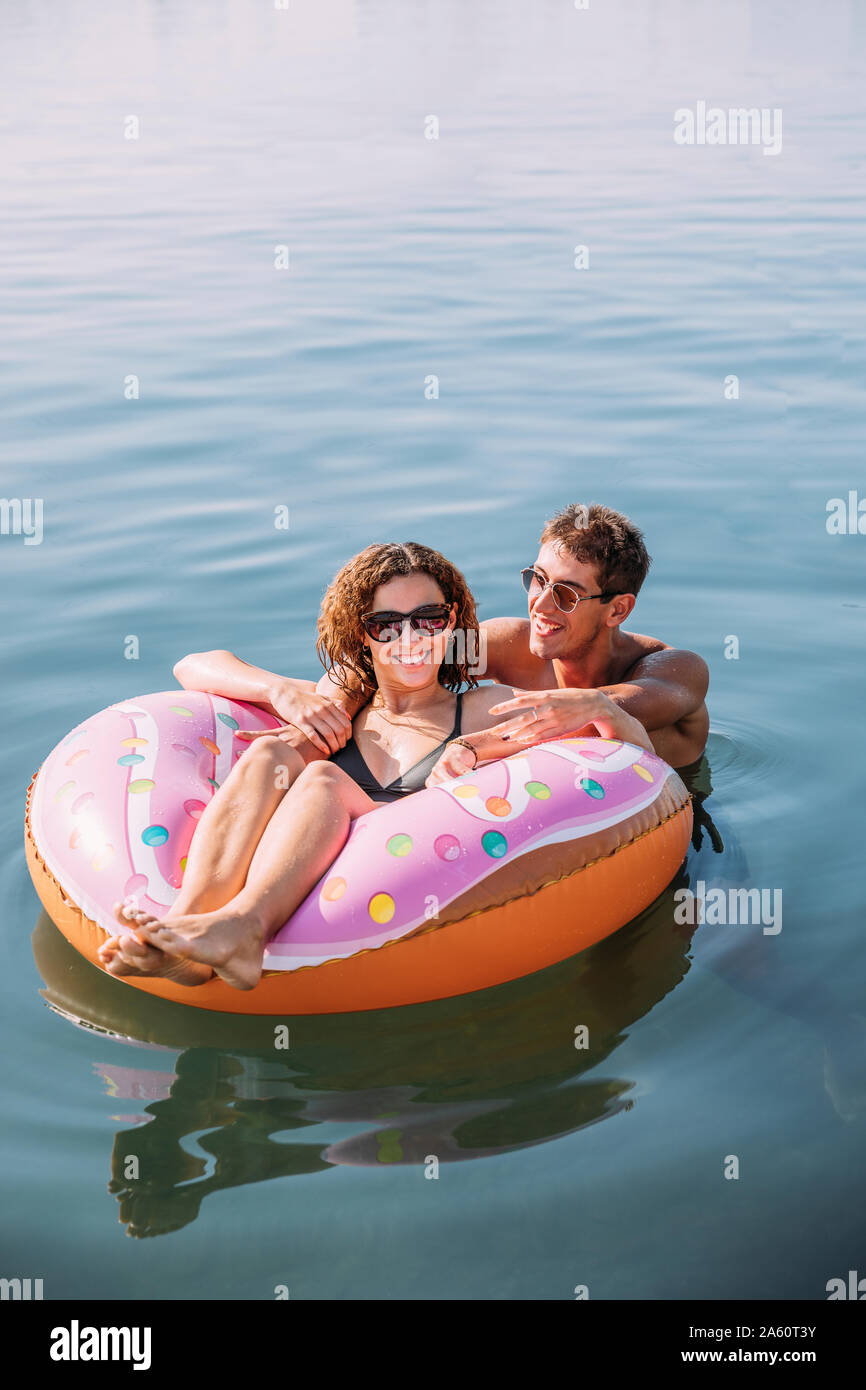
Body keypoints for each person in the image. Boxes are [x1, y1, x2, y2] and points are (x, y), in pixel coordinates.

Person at [98, 542, 652, 991]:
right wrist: (279, 691)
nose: (411, 640)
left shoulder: (486, 706)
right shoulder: (335, 707)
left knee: (320, 778)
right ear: (361, 631)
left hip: (411, 886)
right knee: (271, 752)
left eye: (429, 619)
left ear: (452, 619)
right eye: (387, 624)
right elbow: (191, 666)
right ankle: (186, 929)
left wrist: (600, 707)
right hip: (295, 848)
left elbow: (623, 755)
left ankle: (243, 928)